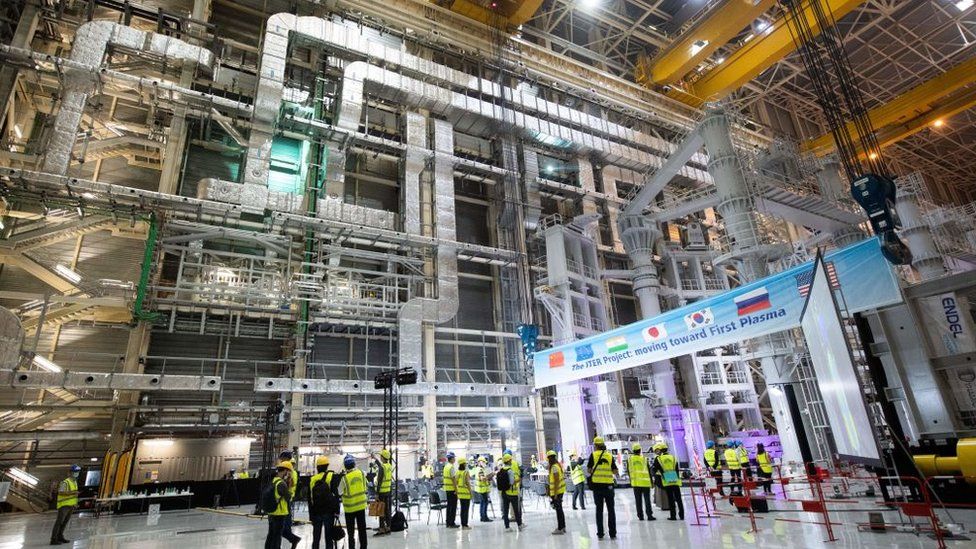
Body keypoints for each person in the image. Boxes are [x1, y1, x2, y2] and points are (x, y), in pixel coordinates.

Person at [587, 436, 618, 540]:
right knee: (611, 510)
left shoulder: (593, 455)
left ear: (595, 445)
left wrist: (597, 471)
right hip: (609, 486)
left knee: (599, 510)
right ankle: (613, 533)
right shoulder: (609, 456)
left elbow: (589, 470)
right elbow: (615, 471)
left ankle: (600, 533)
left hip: (597, 487)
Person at [265, 461, 298, 549]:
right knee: (277, 537)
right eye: (289, 471)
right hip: (279, 514)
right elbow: (288, 497)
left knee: (271, 535)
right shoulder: (282, 484)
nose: (290, 473)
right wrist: (290, 486)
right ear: (285, 471)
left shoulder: (274, 480)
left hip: (271, 512)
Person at [338, 455, 368, 549]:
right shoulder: (361, 474)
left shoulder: (345, 478)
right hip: (361, 507)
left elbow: (339, 492)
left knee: (351, 532)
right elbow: (366, 486)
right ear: (354, 464)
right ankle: (363, 547)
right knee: (362, 529)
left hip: (350, 509)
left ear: (345, 466)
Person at [309, 456, 338, 549]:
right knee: (329, 537)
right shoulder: (330, 476)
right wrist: (337, 511)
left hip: (316, 511)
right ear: (326, 467)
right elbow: (336, 495)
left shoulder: (312, 479)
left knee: (316, 537)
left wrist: (311, 515)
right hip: (329, 512)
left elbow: (310, 498)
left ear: (317, 467)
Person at [50, 464, 81, 545]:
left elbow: (75, 495)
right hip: (64, 506)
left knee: (65, 522)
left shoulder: (74, 482)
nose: (76, 473)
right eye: (75, 472)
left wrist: (75, 503)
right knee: (59, 522)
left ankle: (60, 536)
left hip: (71, 505)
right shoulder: (65, 482)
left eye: (77, 472)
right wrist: (73, 492)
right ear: (70, 472)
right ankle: (53, 539)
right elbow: (61, 492)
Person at [652, 443, 684, 521]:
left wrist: (659, 475)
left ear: (661, 449)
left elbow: (655, 470)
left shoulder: (658, 459)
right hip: (675, 478)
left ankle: (673, 516)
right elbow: (676, 469)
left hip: (666, 479)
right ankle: (681, 515)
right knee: (678, 498)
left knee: (671, 498)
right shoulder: (673, 457)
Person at [278, 451, 301, 549]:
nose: (281, 460)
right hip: (283, 501)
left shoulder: (291, 473)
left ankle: (294, 539)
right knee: (281, 527)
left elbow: (287, 486)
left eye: (282, 458)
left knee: (283, 527)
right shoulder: (287, 472)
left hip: (287, 501)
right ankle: (293, 539)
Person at [627, 443, 655, 521]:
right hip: (645, 483)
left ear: (633, 451)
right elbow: (649, 472)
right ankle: (649, 515)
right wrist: (652, 483)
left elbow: (629, 471)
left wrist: (631, 481)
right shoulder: (644, 459)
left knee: (638, 500)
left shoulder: (629, 459)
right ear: (640, 451)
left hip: (636, 483)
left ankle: (640, 516)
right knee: (647, 500)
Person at [498, 454, 524, 531]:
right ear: (509, 461)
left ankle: (507, 527)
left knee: (505, 511)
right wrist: (518, 479)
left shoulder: (501, 470)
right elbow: (512, 482)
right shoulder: (510, 470)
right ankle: (519, 525)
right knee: (516, 510)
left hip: (504, 493)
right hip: (512, 493)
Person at [546, 450, 566, 535]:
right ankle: (563, 527)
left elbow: (557, 480)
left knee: (558, 510)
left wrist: (555, 494)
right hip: (559, 491)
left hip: (557, 492)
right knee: (559, 509)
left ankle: (560, 528)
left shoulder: (554, 467)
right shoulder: (557, 465)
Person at [374, 449, 393, 536]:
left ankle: (381, 528)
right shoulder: (389, 465)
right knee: (387, 510)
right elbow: (381, 467)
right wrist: (375, 459)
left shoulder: (382, 467)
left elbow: (380, 481)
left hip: (381, 492)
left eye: (380, 456)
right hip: (388, 491)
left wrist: (377, 493)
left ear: (383, 457)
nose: (380, 457)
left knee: (381, 510)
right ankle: (388, 527)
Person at [443, 451, 459, 528]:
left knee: (449, 506)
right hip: (452, 490)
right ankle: (451, 523)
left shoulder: (446, 467)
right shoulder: (451, 467)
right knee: (453, 507)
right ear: (451, 458)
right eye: (454, 458)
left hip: (447, 489)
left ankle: (448, 523)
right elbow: (453, 480)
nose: (454, 459)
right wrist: (456, 490)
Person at [474, 457, 492, 522]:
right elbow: (482, 478)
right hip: (482, 489)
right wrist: (489, 476)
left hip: (481, 489)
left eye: (484, 462)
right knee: (484, 503)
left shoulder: (478, 469)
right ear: (479, 462)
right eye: (483, 462)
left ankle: (482, 517)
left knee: (482, 503)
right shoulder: (480, 469)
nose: (484, 463)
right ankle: (484, 518)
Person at [456, 457, 472, 529]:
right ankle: (465, 525)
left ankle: (463, 524)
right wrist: (470, 492)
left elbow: (456, 482)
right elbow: (468, 483)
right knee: (466, 510)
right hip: (466, 493)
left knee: (462, 510)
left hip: (460, 493)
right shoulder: (466, 472)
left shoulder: (457, 472)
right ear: (463, 464)